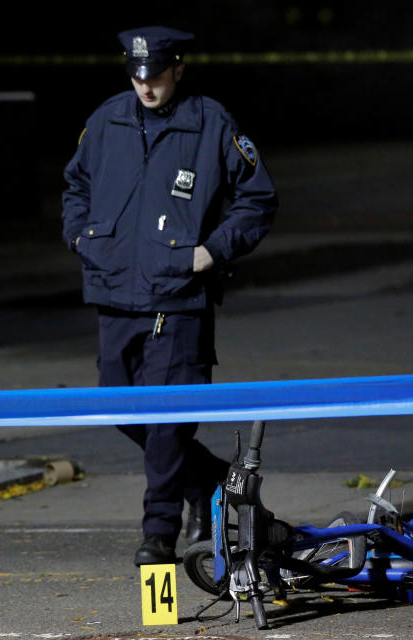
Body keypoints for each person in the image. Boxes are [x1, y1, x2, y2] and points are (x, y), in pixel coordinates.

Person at [61, 26, 278, 565]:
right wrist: (81, 237)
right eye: (137, 77)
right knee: (119, 408)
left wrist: (212, 251)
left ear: (178, 69)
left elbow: (258, 199)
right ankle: (211, 479)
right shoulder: (107, 118)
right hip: (114, 292)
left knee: (166, 422)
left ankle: (157, 532)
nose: (146, 88)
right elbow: (76, 186)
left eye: (156, 77)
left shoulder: (210, 122)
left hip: (178, 299)